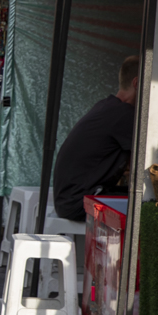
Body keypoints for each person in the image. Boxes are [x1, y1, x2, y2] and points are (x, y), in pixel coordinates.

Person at [52, 55, 138, 222]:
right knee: (146, 206)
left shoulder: (107, 106)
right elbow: (146, 158)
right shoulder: (123, 115)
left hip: (68, 200)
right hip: (79, 203)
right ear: (136, 83)